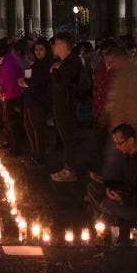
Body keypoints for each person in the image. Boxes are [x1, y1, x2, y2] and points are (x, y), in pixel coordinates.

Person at [101, 45, 137, 179]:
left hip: (128, 127)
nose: (110, 65)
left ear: (120, 58)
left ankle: (109, 185)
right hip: (124, 125)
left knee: (116, 159)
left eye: (111, 61)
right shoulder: (122, 74)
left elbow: (136, 103)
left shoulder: (132, 75)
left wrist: (128, 128)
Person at [86, 124, 137, 224]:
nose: (117, 147)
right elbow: (125, 182)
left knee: (107, 204)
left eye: (119, 143)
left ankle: (106, 224)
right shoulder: (129, 156)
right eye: (115, 143)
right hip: (128, 196)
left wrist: (122, 199)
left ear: (131, 141)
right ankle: (105, 220)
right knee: (93, 187)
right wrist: (103, 181)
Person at [49, 33, 84, 183]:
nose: (54, 47)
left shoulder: (72, 62)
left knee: (68, 138)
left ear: (64, 46)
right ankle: (67, 167)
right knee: (65, 138)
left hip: (67, 106)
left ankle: (70, 171)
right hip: (60, 105)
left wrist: (55, 72)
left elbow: (65, 87)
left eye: (56, 44)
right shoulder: (62, 62)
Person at [19, 39, 52, 164]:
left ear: (46, 50)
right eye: (36, 49)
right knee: (29, 126)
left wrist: (25, 82)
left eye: (41, 49)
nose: (38, 52)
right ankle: (34, 152)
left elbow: (38, 81)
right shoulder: (35, 64)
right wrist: (24, 80)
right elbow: (28, 78)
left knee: (38, 129)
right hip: (29, 100)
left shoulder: (46, 64)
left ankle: (40, 156)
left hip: (38, 101)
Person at [0, 41, 25, 156]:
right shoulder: (9, 60)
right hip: (11, 95)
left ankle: (16, 148)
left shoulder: (9, 62)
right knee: (11, 122)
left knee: (13, 123)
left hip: (13, 96)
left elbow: (10, 82)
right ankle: (14, 145)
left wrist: (4, 95)